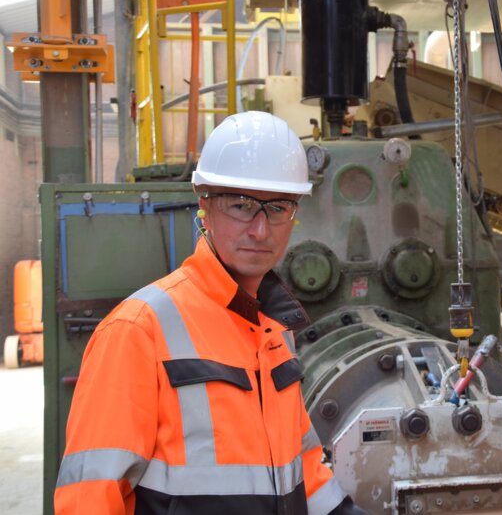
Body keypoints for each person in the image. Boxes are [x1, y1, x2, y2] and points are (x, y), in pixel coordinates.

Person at [55, 111, 366, 514]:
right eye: (240, 205)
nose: (259, 229)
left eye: (277, 208)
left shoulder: (275, 332)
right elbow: (90, 498)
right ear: (204, 206)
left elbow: (302, 465)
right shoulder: (138, 331)